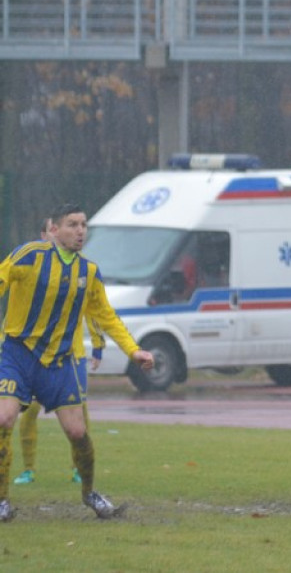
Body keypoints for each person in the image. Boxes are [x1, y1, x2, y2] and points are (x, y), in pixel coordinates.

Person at [0, 204, 155, 521]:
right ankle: (2, 500)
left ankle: (90, 494)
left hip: (58, 362)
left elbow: (106, 317)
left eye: (84, 224)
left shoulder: (89, 272)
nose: (80, 230)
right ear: (53, 230)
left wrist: (133, 350)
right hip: (17, 354)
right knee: (3, 420)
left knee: (77, 432)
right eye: (72, 224)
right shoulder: (29, 255)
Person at [13, 218, 106, 487]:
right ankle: (28, 469)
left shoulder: (82, 269)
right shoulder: (31, 265)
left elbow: (95, 308)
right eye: (51, 230)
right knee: (27, 412)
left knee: (79, 417)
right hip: (34, 357)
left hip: (70, 355)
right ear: (45, 234)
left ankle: (78, 468)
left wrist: (98, 344)